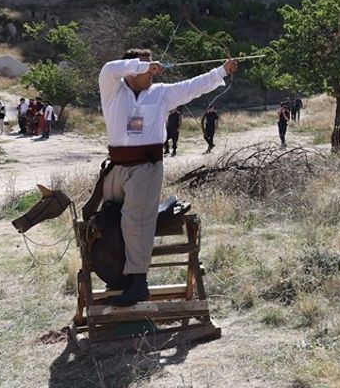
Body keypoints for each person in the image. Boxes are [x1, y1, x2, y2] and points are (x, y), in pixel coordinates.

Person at [98, 49, 236, 306]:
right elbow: (109, 67)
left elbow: (193, 87)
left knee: (135, 220)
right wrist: (142, 65)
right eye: (145, 68)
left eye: (152, 66)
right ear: (132, 70)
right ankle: (117, 278)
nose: (151, 72)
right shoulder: (112, 88)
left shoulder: (161, 93)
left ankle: (138, 281)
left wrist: (221, 72)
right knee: (110, 217)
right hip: (117, 165)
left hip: (147, 167)